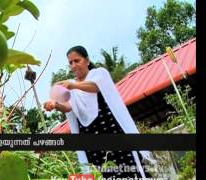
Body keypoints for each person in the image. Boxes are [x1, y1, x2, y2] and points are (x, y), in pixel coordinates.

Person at [44, 45, 156, 178]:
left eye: (77, 60)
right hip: (91, 140)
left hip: (112, 131)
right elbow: (69, 107)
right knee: (104, 173)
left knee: (126, 169)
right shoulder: (71, 86)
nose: (73, 65)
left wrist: (73, 85)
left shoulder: (99, 74)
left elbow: (96, 87)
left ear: (87, 60)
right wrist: (55, 104)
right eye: (70, 62)